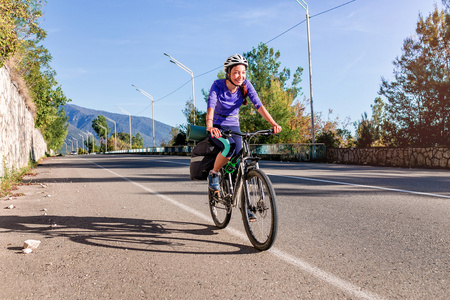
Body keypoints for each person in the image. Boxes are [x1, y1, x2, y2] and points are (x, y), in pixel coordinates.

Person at [206, 54, 282, 192]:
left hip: (234, 124)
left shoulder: (246, 85)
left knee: (240, 154)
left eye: (243, 72)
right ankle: (214, 174)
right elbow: (211, 105)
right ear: (228, 73)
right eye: (236, 72)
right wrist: (210, 126)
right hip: (217, 125)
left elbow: (258, 105)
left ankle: (240, 192)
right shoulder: (217, 85)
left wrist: (273, 123)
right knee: (229, 148)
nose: (240, 76)